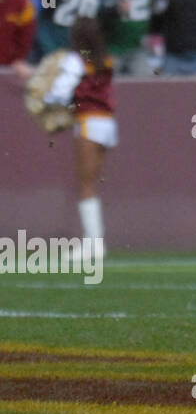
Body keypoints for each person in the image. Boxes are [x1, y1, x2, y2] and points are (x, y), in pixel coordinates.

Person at [41, 17, 117, 247]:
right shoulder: (106, 59)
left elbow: (60, 93)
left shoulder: (75, 61)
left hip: (88, 122)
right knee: (92, 182)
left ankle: (92, 244)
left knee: (85, 184)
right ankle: (95, 242)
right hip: (109, 124)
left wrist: (45, 98)